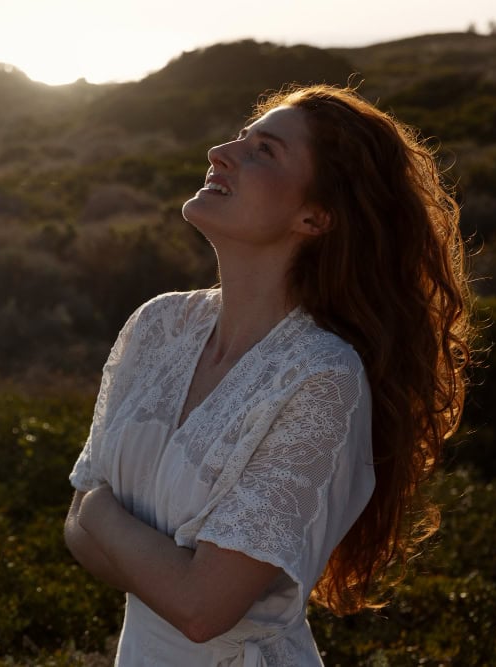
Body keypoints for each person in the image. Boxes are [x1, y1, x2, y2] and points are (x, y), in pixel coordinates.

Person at [64, 84, 472, 665]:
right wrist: (162, 567)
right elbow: (72, 533)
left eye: (265, 152)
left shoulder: (322, 377)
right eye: (240, 139)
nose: (219, 153)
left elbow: (202, 608)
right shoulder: (158, 327)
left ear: (315, 216)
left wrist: (101, 510)